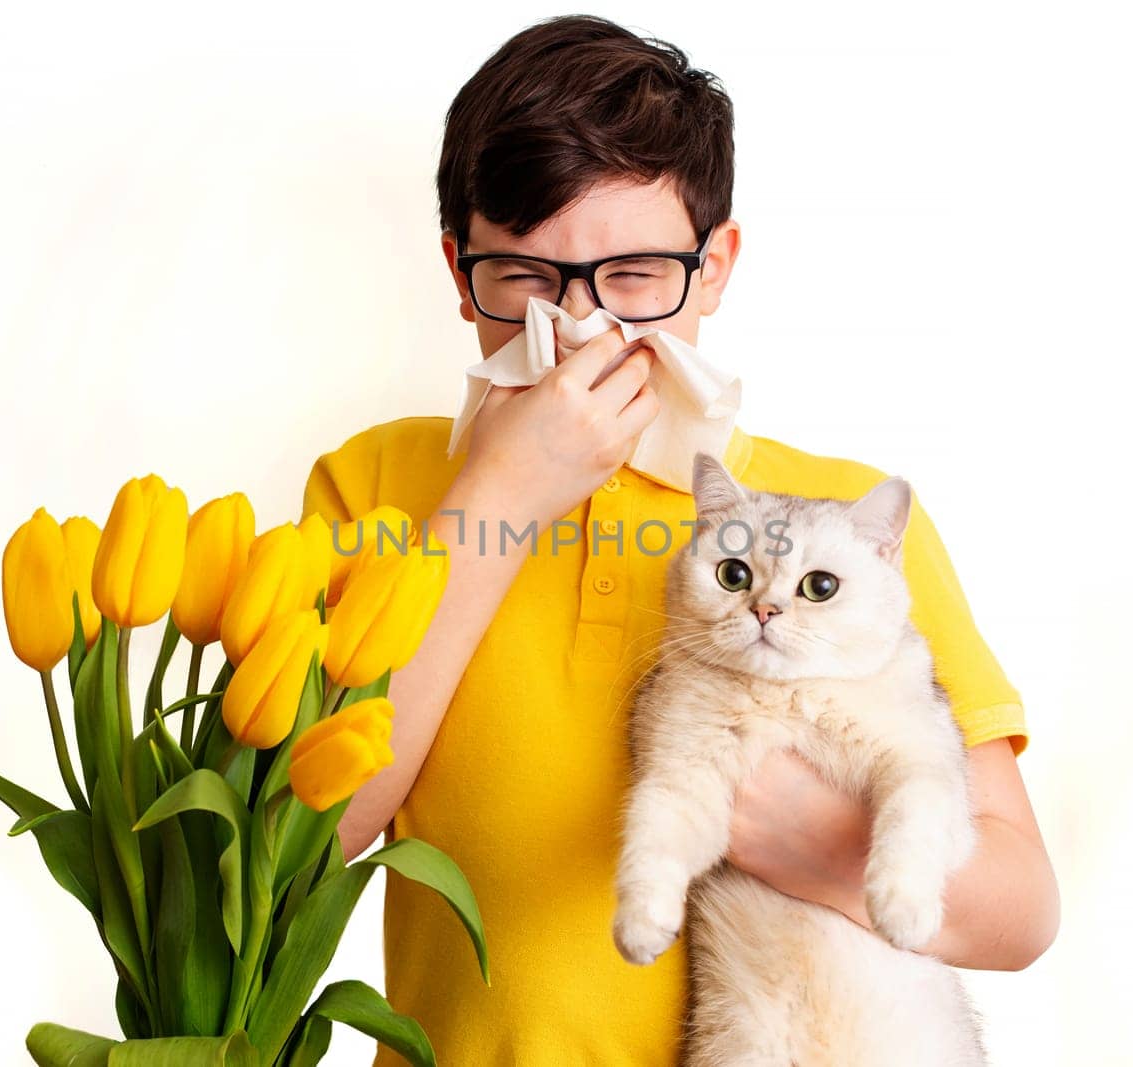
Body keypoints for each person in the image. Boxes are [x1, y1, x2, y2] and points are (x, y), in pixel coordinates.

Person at [300, 15, 1059, 1066]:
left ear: (714, 265)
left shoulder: (841, 525)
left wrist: (816, 840)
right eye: (521, 277)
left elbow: (1020, 913)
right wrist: (504, 495)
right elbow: (304, 843)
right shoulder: (376, 484)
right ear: (456, 263)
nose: (578, 330)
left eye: (634, 276)